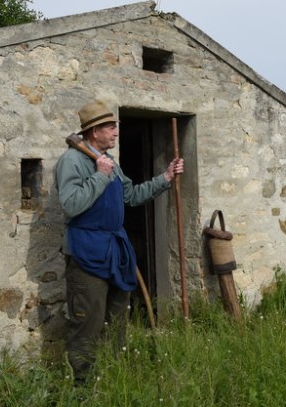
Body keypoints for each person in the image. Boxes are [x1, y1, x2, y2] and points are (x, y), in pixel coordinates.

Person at [55, 100, 184, 382]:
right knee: (86, 323)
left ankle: (115, 378)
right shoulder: (72, 161)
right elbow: (71, 205)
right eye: (110, 127)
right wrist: (99, 176)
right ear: (93, 132)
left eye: (115, 127)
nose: (115, 132)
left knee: (118, 320)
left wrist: (165, 177)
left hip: (114, 250)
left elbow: (131, 196)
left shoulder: (111, 162)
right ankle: (84, 389)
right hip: (86, 252)